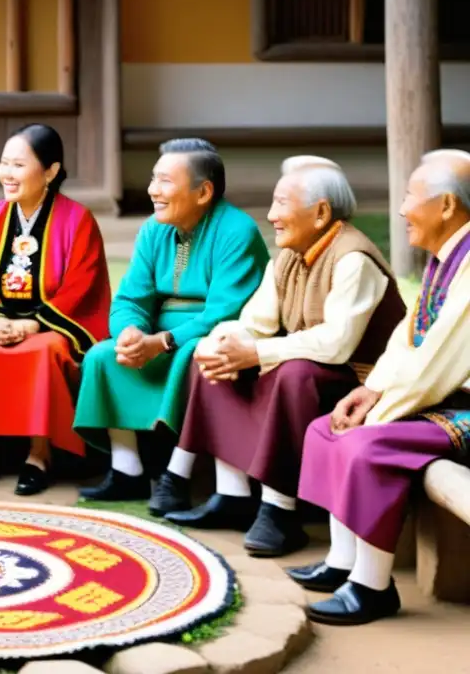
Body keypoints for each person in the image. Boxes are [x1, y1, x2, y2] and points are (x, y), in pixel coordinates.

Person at [154, 157, 406, 558]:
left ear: (321, 212)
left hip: (358, 384)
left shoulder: (354, 259)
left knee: (294, 374)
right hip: (307, 365)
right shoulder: (288, 255)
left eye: (281, 204)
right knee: (216, 357)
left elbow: (336, 344)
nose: (271, 216)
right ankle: (233, 495)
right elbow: (257, 321)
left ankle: (280, 511)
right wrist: (222, 342)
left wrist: (255, 351)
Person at [287, 149, 470, 626]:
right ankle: (343, 562)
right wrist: (372, 392)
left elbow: (436, 363)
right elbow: (407, 338)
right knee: (325, 428)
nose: (403, 208)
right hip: (440, 395)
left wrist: (380, 412)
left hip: (461, 405)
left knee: (367, 444)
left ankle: (371, 587)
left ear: (446, 205)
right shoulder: (447, 256)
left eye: (410, 196)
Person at [74, 138, 270, 501]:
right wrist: (130, 333)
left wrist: (162, 342)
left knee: (192, 355)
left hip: (211, 337)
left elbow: (224, 313)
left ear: (203, 191)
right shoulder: (153, 228)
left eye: (165, 181)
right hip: (157, 333)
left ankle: (175, 476)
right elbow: (131, 296)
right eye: (153, 179)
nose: (153, 190)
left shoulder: (237, 231)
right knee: (103, 355)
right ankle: (126, 468)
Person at [0, 124, 111, 496]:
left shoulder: (77, 220)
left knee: (42, 353)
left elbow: (83, 284)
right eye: (4, 164)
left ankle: (39, 454)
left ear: (50, 171)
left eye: (18, 164)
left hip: (52, 326)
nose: (7, 173)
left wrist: (34, 325)